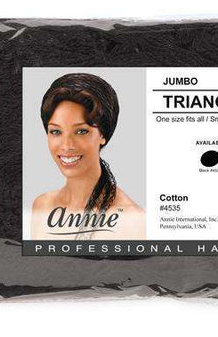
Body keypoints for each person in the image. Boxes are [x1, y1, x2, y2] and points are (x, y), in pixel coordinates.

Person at [31, 73, 144, 239]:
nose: (67, 145)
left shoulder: (131, 220)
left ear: (103, 135)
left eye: (81, 131)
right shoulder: (41, 206)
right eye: (56, 132)